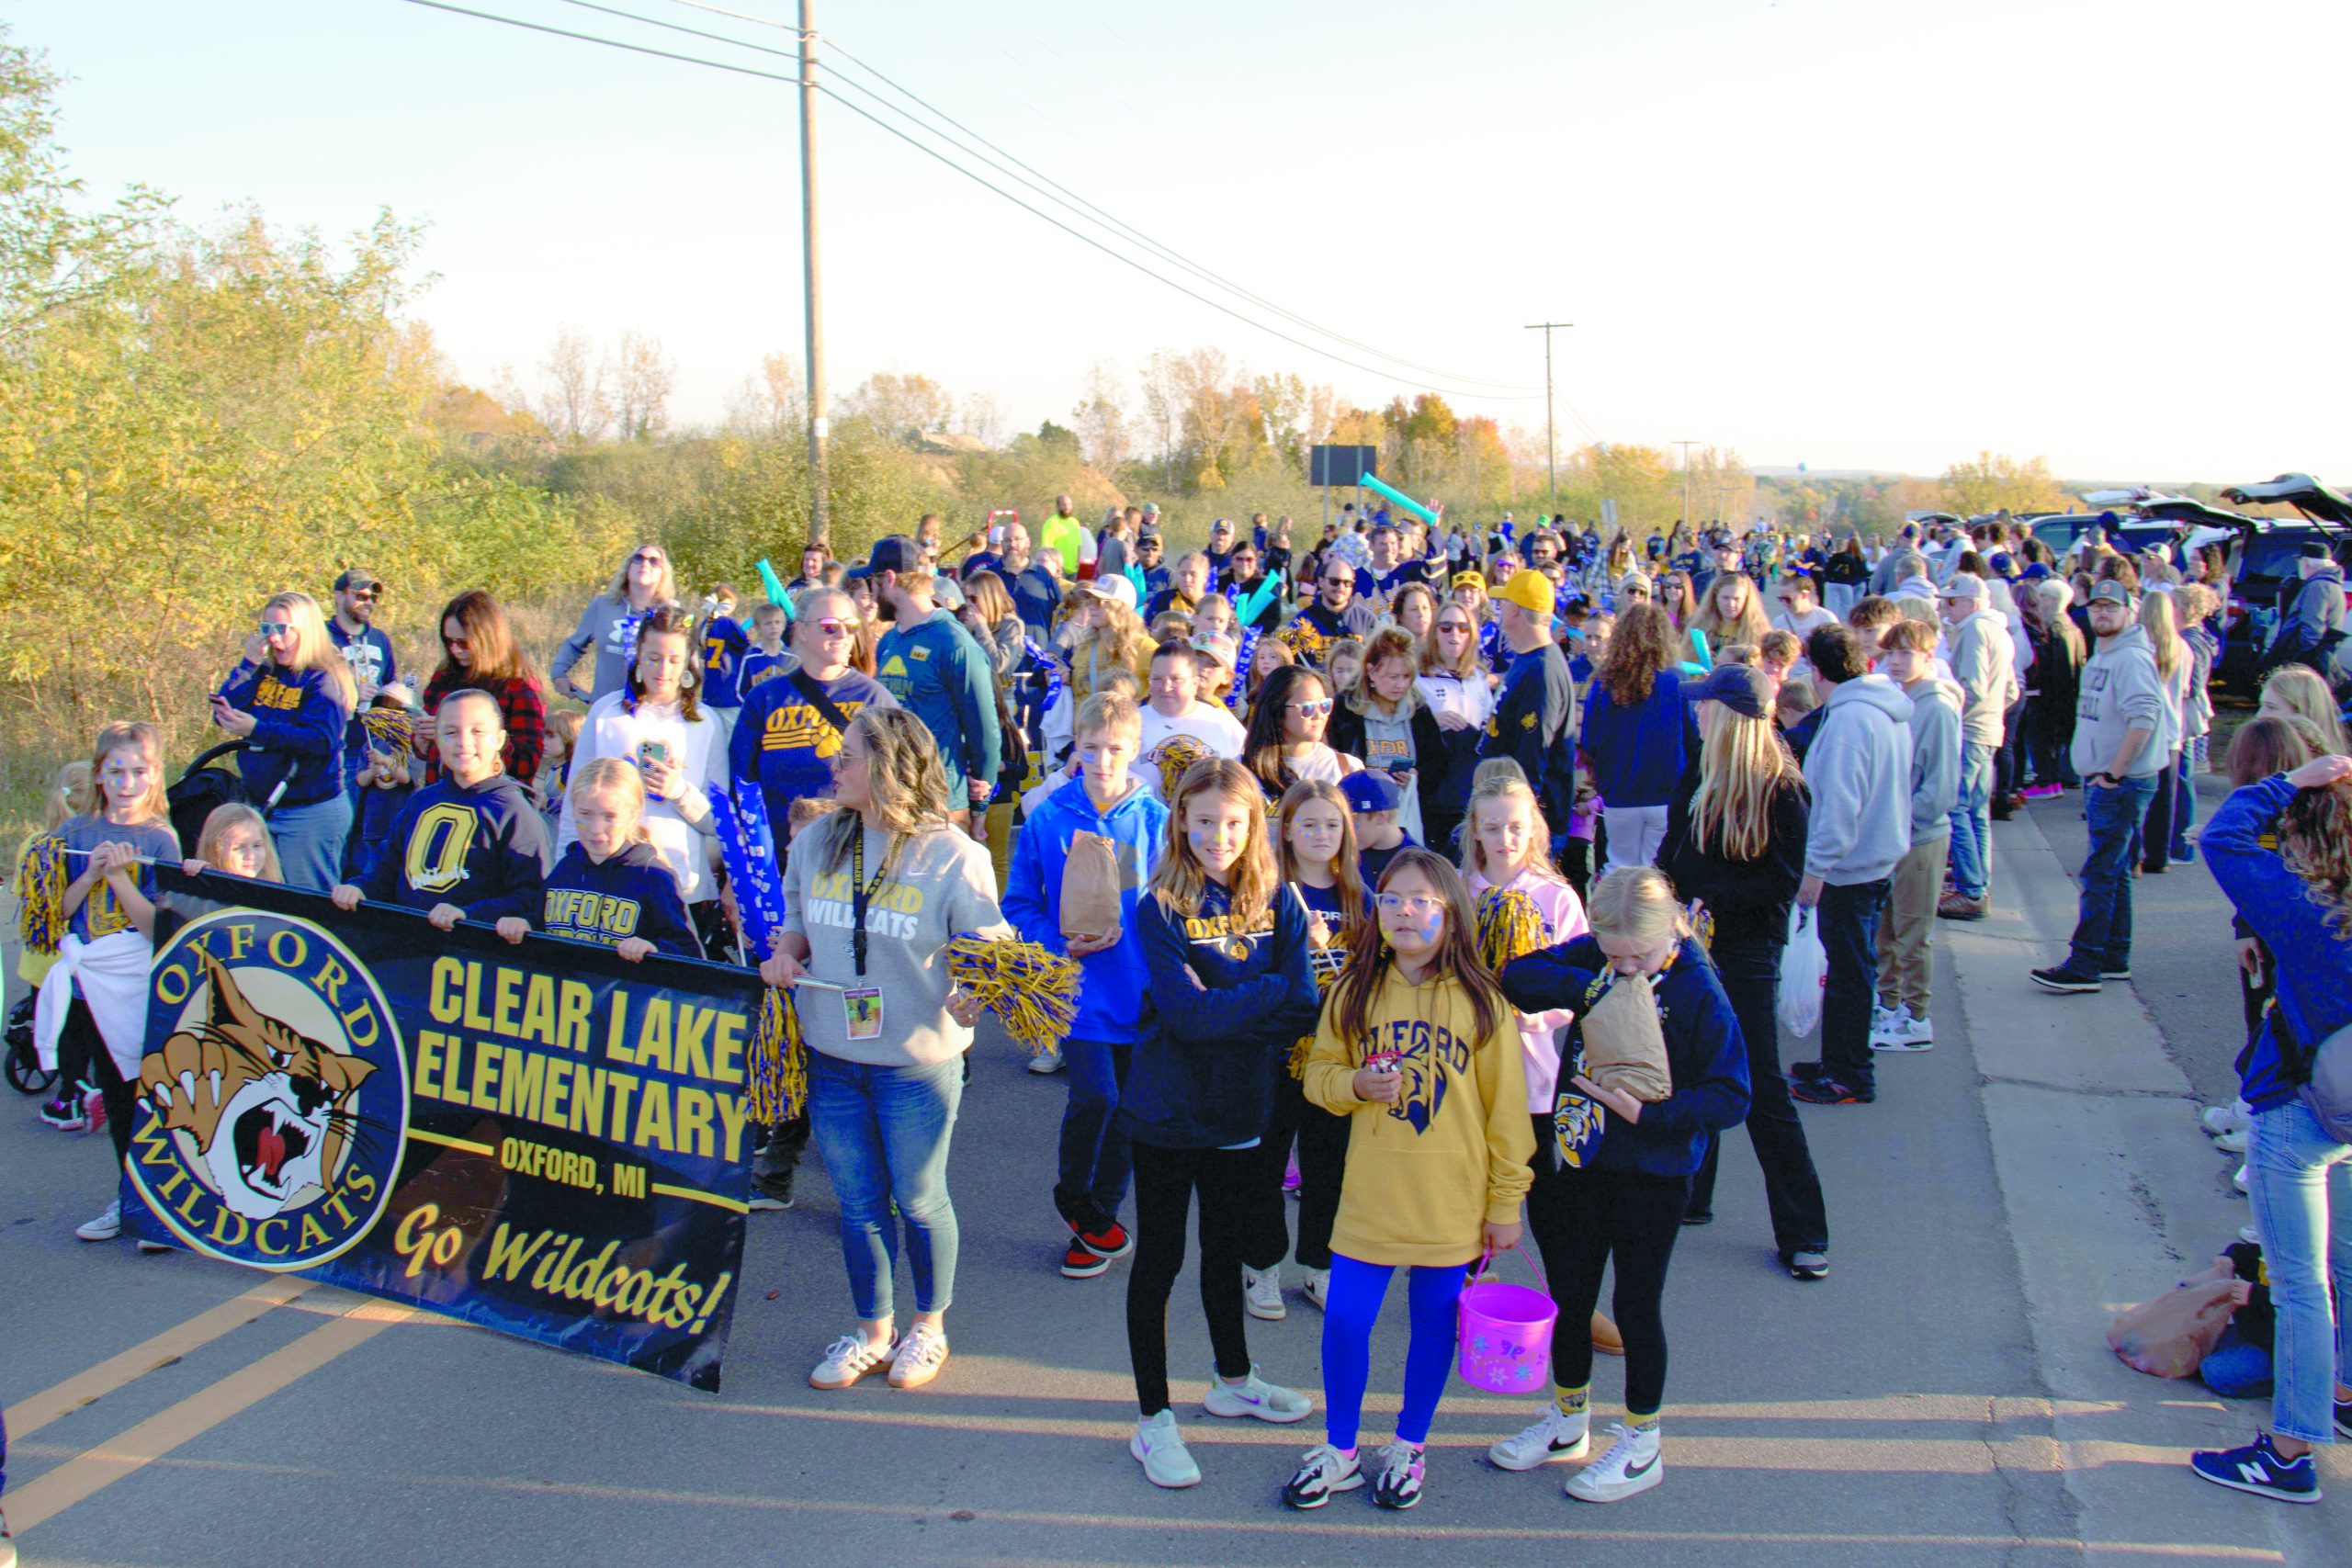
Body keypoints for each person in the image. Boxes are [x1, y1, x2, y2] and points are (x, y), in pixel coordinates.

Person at [759, 708, 1010, 1393]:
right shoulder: (817, 841)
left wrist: (975, 993)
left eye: (847, 756)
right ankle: (874, 1331)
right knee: (858, 1201)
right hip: (832, 1054)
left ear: (891, 766)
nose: (833, 767)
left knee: (920, 1198)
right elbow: (797, 923)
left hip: (917, 1061)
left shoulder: (957, 854)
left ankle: (929, 1327)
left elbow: (992, 953)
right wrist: (784, 957)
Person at [1282, 849, 1534, 1511]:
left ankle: (1409, 1444)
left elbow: (1508, 1116)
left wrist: (1506, 1202)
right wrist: (1355, 1083)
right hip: (1370, 1199)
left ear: (1451, 912)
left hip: (1452, 1202)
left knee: (1432, 1326)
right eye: (1391, 899)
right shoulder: (1353, 991)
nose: (1404, 912)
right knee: (1345, 1320)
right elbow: (1318, 1078)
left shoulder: (1484, 1004)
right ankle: (1340, 1449)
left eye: (1422, 899)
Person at [1494, 867, 1750, 1502]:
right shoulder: (1600, 960)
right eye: (1615, 953)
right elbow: (1517, 977)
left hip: (1653, 1173)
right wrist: (1592, 983)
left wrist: (1652, 1115)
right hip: (1580, 1155)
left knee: (1636, 1304)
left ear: (1671, 932)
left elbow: (1732, 1094)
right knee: (1571, 1293)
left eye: (1639, 955)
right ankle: (1568, 1420)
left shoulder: (1697, 990)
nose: (1628, 966)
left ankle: (1642, 1441)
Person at [1123, 758, 1322, 1488]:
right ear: (1180, 820)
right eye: (1203, 820)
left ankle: (1232, 1378)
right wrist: (1264, 993)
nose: (1218, 835)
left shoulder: (1282, 900)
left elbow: (1303, 1005)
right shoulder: (1159, 906)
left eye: (1233, 821)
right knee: (1162, 1260)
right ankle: (1153, 1420)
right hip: (1168, 1112)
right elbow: (1185, 1015)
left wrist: (1243, 1001)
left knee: (1226, 1248)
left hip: (1245, 1108)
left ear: (1254, 824)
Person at [2192, 751, 2352, 1503]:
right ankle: (2343, 1392)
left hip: (2297, 1107)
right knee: (2347, 1268)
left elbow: (2222, 836)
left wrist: (2289, 781)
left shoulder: (2303, 909)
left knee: (2299, 1285)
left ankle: (2290, 1452)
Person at [1657, 665, 1830, 1277]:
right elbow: (1671, 852)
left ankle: (1807, 1230)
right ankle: (1692, 1197)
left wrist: (1710, 897)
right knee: (1689, 1069)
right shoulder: (1700, 768)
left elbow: (1781, 882)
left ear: (1731, 716)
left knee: (1759, 1087)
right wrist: (1662, 895)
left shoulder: (1783, 786)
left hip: (1750, 951)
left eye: (1706, 706)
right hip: (1691, 944)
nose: (1697, 713)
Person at [1001, 694, 1169, 1280]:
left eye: (1115, 750)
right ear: (1076, 744)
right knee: (1095, 1097)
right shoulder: (1049, 819)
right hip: (1078, 992)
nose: (1101, 761)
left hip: (1143, 994)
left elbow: (1180, 904)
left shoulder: (1156, 822)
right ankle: (1076, 1198)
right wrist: (1056, 942)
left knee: (1128, 1112)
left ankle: (1097, 1221)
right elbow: (1018, 903)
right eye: (1090, 747)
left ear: (1135, 753)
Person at [37, 723, 178, 1244]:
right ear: (98, 774)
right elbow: (56, 915)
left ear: (154, 776)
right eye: (115, 770)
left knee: (151, 1095)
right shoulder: (74, 834)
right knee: (116, 1096)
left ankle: (160, 1208)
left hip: (140, 989)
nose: (126, 781)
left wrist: (120, 878)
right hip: (89, 988)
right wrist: (91, 876)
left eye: (138, 771)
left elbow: (156, 928)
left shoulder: (159, 839)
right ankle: (128, 1196)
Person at [1789, 624, 1913, 1107]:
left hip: (1851, 866)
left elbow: (1839, 806)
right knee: (1850, 968)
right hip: (1873, 858)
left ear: (1819, 672)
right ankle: (1841, 1059)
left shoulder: (1848, 721)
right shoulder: (1882, 708)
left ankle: (1850, 1074)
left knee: (1848, 973)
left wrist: (1814, 871)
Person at [2030, 581, 2174, 995]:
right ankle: (2113, 956)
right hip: (2112, 779)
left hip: (2121, 782)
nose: (2103, 614)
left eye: (2113, 607)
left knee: (2100, 872)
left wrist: (2113, 773)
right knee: (2113, 870)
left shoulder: (2130, 658)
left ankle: (2086, 962)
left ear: (2129, 612)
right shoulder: (2108, 653)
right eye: (2097, 607)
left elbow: (2144, 717)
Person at [1260, 779, 1370, 1316]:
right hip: (1277, 1054)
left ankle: (1318, 1267)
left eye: (1331, 824)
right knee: (1265, 1164)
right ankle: (1260, 1266)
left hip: (1335, 1058)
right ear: (1287, 831)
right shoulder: (1266, 891)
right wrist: (1296, 944)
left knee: (1330, 1168)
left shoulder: (1359, 896)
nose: (1321, 834)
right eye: (1308, 824)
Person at [560, 604, 726, 952]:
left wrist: (678, 790)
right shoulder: (606, 713)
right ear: (637, 655)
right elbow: (573, 800)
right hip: (608, 880)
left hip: (681, 884)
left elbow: (719, 822)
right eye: (652, 657)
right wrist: (566, 864)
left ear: (688, 662)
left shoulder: (705, 724)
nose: (662, 670)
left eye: (673, 659)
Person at [335, 686, 553, 928]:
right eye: (451, 732)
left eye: (478, 731)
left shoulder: (515, 812)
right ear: (437, 739)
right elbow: (386, 872)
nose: (463, 742)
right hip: (408, 948)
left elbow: (531, 899)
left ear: (500, 740)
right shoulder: (421, 802)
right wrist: (359, 888)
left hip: (472, 956)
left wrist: (469, 915)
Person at [211, 591, 356, 890]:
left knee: (307, 902)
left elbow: (321, 740)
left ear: (307, 631)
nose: (274, 639)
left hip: (309, 809)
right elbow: (223, 710)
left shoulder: (323, 678)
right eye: (266, 629)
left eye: (282, 629)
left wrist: (259, 729)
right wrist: (248, 663)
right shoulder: (264, 671)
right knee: (263, 897)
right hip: (262, 805)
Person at [1868, 618, 1962, 1053]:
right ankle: (1888, 1005)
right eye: (1891, 653)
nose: (1896, 662)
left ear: (1928, 655)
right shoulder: (1897, 699)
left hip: (1920, 838)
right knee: (1885, 930)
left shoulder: (1937, 708)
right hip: (1892, 835)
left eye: (1906, 653)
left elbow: (1939, 790)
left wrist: (1897, 822)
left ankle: (1916, 1015)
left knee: (1913, 931)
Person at [503, 757, 698, 959]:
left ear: (633, 815)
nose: (596, 829)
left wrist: (653, 949)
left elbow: (690, 954)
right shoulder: (566, 868)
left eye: (609, 817)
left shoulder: (654, 878)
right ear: (573, 811)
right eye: (586, 814)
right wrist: (523, 924)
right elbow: (541, 921)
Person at [868, 536, 1002, 831]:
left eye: (872, 582)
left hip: (940, 806)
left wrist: (979, 806)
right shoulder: (890, 641)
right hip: (893, 800)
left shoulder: (953, 643)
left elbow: (986, 733)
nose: (871, 593)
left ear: (889, 579)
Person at [1578, 603, 1690, 874]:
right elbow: (1693, 736)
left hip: (1620, 792)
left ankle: (1613, 919)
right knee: (1656, 875)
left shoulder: (1604, 683)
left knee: (1619, 869)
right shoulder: (1677, 681)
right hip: (1666, 793)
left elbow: (1589, 739)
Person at [1476, 569, 1578, 844]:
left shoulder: (1542, 670)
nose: (1499, 608)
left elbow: (1533, 758)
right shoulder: (1529, 659)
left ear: (1515, 611)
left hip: (1526, 824)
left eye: (1504, 602)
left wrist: (1522, 822)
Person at [1937, 575, 2016, 920]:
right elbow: (2011, 690)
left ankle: (1971, 890)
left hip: (1971, 730)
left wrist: (1953, 719)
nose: (1945, 608)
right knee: (1977, 812)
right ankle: (1978, 880)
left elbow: (1972, 687)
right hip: (1988, 730)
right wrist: (1992, 716)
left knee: (1957, 807)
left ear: (1972, 601)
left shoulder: (1974, 630)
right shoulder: (1999, 630)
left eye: (1951, 602)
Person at [418, 589, 548, 787]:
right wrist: (422, 740)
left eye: (463, 643)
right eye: (448, 641)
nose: (455, 650)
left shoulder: (518, 686)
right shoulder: (444, 677)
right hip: (442, 792)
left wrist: (475, 734)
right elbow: (427, 752)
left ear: (486, 639)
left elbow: (527, 763)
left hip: (494, 798)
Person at [1329, 627, 1445, 846]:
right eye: (1393, 677)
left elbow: (1437, 761)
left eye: (1406, 677)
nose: (1400, 685)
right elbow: (1335, 758)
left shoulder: (1418, 710)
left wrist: (1417, 777)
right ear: (1371, 672)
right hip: (1360, 816)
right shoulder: (1346, 710)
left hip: (1409, 814)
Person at [1417, 601, 1498, 860]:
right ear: (1434, 632)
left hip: (1471, 788)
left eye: (1463, 628)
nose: (1455, 634)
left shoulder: (1478, 678)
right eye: (1446, 627)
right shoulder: (1419, 677)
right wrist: (1431, 720)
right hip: (1434, 792)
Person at [553, 543, 677, 704]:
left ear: (663, 574)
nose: (645, 564)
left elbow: (685, 662)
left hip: (652, 710)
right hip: (605, 709)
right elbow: (574, 644)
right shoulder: (603, 605)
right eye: (638, 558)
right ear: (627, 568)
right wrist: (558, 674)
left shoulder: (672, 613)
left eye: (654, 561)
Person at [1136, 641, 1247, 800]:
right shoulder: (1131, 723)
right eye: (1158, 679)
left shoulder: (1221, 722)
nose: (1166, 687)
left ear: (1195, 683)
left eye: (1176, 679)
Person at [1242, 664, 1363, 802]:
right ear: (1277, 711)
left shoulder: (1348, 768)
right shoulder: (1242, 771)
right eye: (1308, 707)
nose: (1319, 715)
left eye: (1325, 705)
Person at [2136, 589, 2193, 875]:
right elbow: (2184, 690)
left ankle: (2133, 851)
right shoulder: (2182, 647)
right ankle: (2159, 855)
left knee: (2136, 792)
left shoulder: (2140, 645)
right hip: (2172, 729)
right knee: (2165, 797)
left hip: (2145, 727)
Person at [326, 568, 397, 795]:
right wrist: (351, 693)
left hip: (375, 749)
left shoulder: (379, 639)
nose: (369, 603)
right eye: (361, 597)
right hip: (339, 751)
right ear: (339, 596)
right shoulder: (321, 639)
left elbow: (389, 683)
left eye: (373, 598)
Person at [1276, 558, 1380, 669]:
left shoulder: (1367, 620)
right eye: (1334, 581)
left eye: (1347, 583)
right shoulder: (1302, 621)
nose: (1341, 587)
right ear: (1321, 581)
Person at [2262, 542, 2346, 676]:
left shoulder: (2317, 586)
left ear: (2305, 563)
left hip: (2307, 662)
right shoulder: (2330, 583)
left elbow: (2312, 629)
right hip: (2318, 657)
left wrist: (2297, 659)